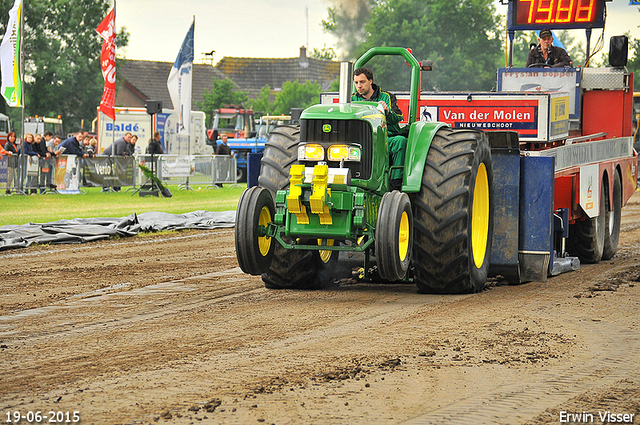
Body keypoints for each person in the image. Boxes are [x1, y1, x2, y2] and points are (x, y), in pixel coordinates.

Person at [352, 67, 406, 191]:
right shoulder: (352, 100)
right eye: (356, 83)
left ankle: (396, 183)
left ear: (370, 81)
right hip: (363, 139)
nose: (359, 86)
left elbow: (398, 117)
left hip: (387, 137)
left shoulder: (386, 97)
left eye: (362, 82)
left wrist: (387, 111)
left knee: (400, 141)